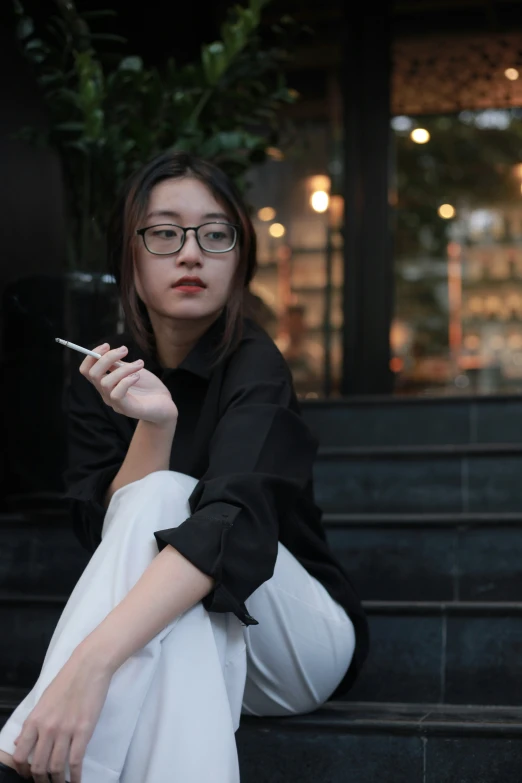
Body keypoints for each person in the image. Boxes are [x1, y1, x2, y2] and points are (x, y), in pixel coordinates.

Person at [0, 151, 369, 783]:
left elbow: (233, 528)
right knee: (162, 544)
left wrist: (90, 665)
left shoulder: (256, 364)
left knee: (174, 500)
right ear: (130, 257)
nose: (191, 253)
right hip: (189, 636)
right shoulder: (104, 373)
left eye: (215, 234)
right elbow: (107, 540)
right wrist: (157, 425)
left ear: (239, 258)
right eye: (165, 233)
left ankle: (40, 726)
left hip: (294, 645)